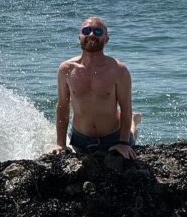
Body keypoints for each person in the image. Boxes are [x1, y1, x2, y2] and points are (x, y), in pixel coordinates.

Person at [53, 16, 141, 159]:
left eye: (98, 32)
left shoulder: (119, 70)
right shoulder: (66, 69)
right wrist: (60, 143)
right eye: (87, 31)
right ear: (79, 37)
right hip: (80, 139)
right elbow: (63, 106)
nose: (92, 35)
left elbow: (126, 107)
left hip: (113, 137)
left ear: (106, 39)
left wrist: (124, 142)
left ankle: (133, 122)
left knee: (131, 131)